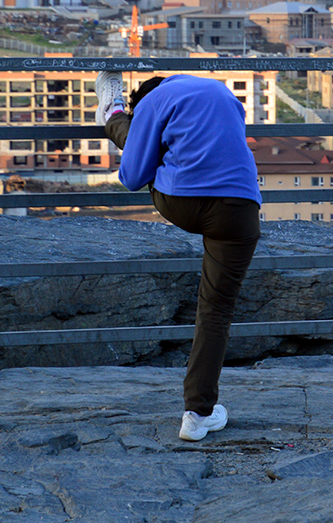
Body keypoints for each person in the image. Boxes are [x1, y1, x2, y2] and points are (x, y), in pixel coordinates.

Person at [95, 70, 262, 442]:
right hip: (239, 209)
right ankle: (198, 415)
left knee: (143, 150)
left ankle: (112, 114)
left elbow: (133, 176)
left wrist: (136, 133)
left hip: (182, 202)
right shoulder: (223, 94)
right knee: (216, 311)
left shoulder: (153, 102)